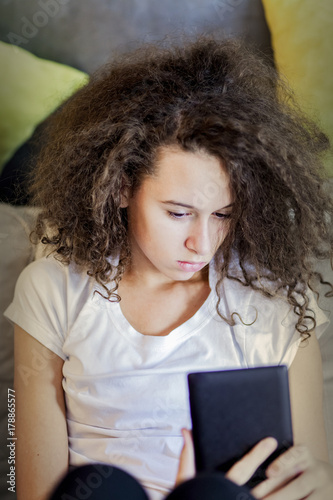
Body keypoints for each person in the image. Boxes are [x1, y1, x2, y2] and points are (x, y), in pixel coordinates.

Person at [4, 36, 333, 500]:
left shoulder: (277, 300)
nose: (202, 243)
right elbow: (32, 488)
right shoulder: (55, 288)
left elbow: (310, 477)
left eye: (222, 215)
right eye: (178, 213)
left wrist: (320, 483)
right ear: (120, 188)